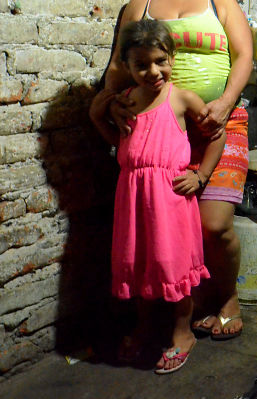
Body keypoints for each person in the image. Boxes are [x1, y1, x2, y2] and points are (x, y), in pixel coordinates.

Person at [92, 0, 253, 342]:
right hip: (162, 131)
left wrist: (224, 103)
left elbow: (244, 58)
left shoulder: (221, 1)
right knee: (173, 226)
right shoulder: (140, 4)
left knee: (214, 224)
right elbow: (117, 64)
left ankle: (227, 297)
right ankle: (191, 299)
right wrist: (107, 103)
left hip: (219, 123)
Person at [90, 19, 227, 374]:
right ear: (128, 66)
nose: (153, 71)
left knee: (172, 267)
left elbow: (216, 133)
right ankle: (144, 328)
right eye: (141, 64)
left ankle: (183, 333)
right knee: (139, 267)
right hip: (133, 199)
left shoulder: (181, 98)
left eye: (160, 61)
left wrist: (201, 175)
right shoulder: (126, 101)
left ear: (172, 57)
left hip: (169, 201)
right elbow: (117, 140)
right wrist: (98, 117)